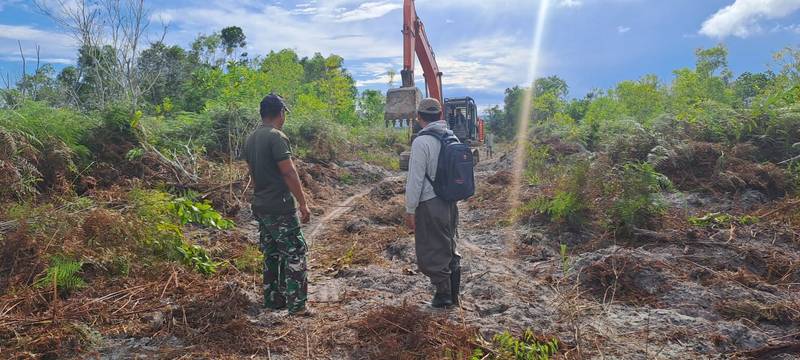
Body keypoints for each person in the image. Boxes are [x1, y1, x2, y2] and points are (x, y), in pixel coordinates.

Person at [243, 94, 313, 316]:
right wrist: (303, 203)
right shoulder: (277, 137)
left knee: (271, 253)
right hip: (280, 206)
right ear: (280, 113)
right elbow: (289, 172)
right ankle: (298, 306)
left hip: (261, 205)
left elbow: (252, 175)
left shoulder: (251, 138)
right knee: (294, 252)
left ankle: (273, 300)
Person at [404, 98, 461, 309]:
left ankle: (443, 295)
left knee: (430, 249)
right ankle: (453, 295)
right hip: (450, 202)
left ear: (419, 118)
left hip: (429, 203)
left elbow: (415, 179)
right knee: (448, 243)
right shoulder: (451, 136)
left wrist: (410, 210)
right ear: (440, 115)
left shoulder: (421, 142)